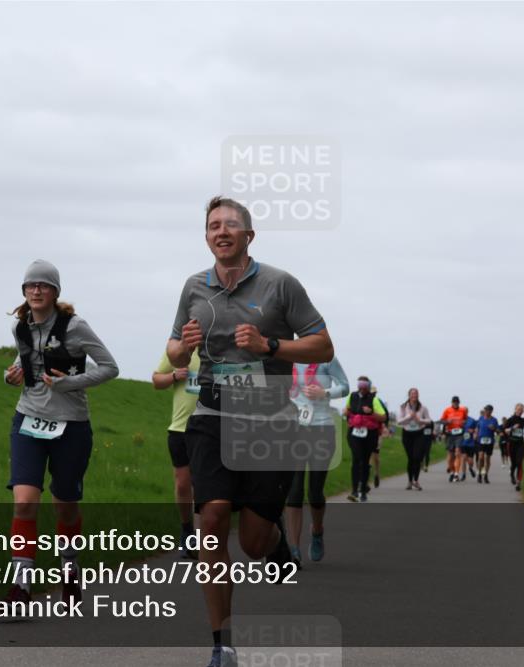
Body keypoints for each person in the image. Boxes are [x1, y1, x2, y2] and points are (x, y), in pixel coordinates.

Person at [167, 196, 334, 667]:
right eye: (214, 225)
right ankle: (222, 644)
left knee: (254, 544)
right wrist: (184, 349)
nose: (222, 232)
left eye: (231, 226)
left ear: (249, 236)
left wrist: (271, 345)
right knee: (214, 517)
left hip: (268, 418)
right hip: (211, 415)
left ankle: (276, 542)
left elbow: (323, 345)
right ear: (206, 237)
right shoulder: (193, 287)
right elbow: (175, 350)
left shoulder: (281, 285)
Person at [1, 260, 119, 612]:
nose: (36, 290)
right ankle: (21, 586)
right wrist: (13, 373)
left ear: (55, 292)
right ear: (24, 291)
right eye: (30, 285)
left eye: (44, 285)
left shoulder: (75, 327)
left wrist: (70, 383)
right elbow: (28, 358)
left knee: (64, 504)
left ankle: (69, 567)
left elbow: (110, 368)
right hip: (29, 419)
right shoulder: (20, 327)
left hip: (71, 425)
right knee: (24, 500)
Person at [284, 358, 349, 565]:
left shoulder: (326, 358)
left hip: (322, 428)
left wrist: (325, 393)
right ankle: (293, 550)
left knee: (314, 492)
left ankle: (317, 531)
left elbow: (345, 387)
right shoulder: (288, 356)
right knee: (294, 490)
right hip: (295, 428)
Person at [152, 347, 202, 559]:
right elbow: (156, 380)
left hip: (208, 429)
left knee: (203, 486)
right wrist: (174, 375)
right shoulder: (178, 349)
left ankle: (202, 540)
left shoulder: (218, 346)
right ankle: (186, 529)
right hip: (180, 428)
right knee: (183, 484)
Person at [344, 376, 387, 501]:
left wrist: (371, 412)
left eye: (365, 384)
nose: (362, 387)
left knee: (365, 461)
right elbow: (346, 409)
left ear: (368, 386)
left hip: (370, 434)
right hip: (354, 433)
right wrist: (346, 412)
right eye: (360, 384)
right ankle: (354, 491)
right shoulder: (352, 396)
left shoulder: (374, 400)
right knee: (357, 459)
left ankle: (363, 491)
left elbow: (383, 417)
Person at [397, 388, 432, 490]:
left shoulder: (423, 408)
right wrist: (409, 417)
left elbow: (429, 420)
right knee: (411, 458)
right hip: (407, 434)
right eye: (412, 394)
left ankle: (416, 480)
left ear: (418, 395)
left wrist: (419, 419)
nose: (414, 395)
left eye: (416, 394)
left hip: (419, 434)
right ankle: (409, 481)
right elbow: (399, 421)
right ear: (409, 395)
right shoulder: (403, 407)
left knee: (417, 458)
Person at [505, 403, 524, 491]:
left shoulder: (523, 420)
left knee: (519, 463)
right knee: (514, 463)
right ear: (515, 409)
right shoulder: (510, 420)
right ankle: (512, 475)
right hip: (511, 444)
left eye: (521, 410)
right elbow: (505, 430)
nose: (520, 411)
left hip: (520, 444)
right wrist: (512, 428)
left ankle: (519, 483)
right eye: (518, 409)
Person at [440, 396, 469, 483]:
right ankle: (452, 472)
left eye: (457, 402)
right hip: (450, 434)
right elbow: (442, 420)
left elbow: (466, 420)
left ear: (459, 403)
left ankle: (456, 474)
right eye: (454, 402)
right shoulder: (447, 410)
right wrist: (447, 422)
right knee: (450, 456)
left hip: (459, 434)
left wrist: (464, 422)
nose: (456, 403)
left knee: (457, 453)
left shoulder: (462, 410)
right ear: (452, 402)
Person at [475, 405, 500, 484]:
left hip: (490, 441)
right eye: (486, 410)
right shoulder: (481, 418)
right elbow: (477, 427)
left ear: (491, 411)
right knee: (481, 457)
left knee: (487, 458)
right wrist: (475, 434)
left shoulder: (494, 420)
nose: (487, 411)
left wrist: (494, 429)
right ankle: (479, 473)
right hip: (481, 440)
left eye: (489, 410)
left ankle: (485, 474)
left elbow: (498, 431)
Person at [459, 413, 478, 481]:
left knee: (470, 461)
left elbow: (476, 428)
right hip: (463, 443)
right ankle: (463, 474)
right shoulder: (459, 419)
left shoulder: (472, 420)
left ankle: (470, 468)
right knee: (464, 458)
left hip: (471, 443)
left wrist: (474, 431)